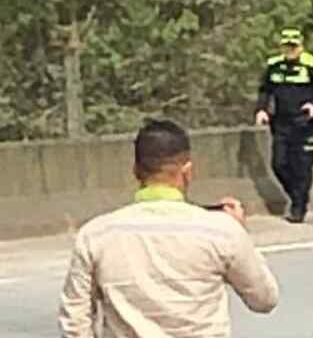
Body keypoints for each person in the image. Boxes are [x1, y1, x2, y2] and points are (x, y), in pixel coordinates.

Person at [58, 119, 279, 338]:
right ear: (187, 171)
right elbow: (264, 299)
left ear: (136, 171)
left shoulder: (95, 235)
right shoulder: (221, 231)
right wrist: (241, 233)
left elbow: (75, 320)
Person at [254, 27, 313, 223]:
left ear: (301, 46)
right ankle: (296, 197)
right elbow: (265, 91)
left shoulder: (311, 65)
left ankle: (299, 207)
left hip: (305, 123)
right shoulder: (274, 66)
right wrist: (262, 109)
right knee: (279, 164)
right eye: (286, 46)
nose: (290, 50)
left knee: (302, 167)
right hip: (281, 122)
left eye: (293, 46)